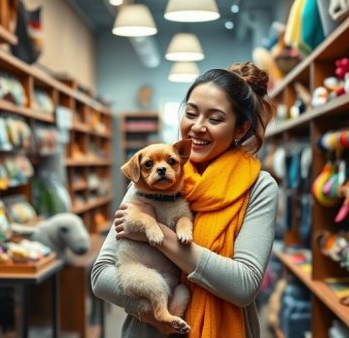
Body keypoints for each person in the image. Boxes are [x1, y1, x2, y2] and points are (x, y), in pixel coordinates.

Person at [91, 62, 279, 338]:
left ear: (241, 129)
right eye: (191, 113)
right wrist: (154, 315)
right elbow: (101, 277)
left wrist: (159, 236)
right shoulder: (154, 174)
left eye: (215, 119)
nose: (197, 127)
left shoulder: (258, 187)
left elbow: (243, 285)